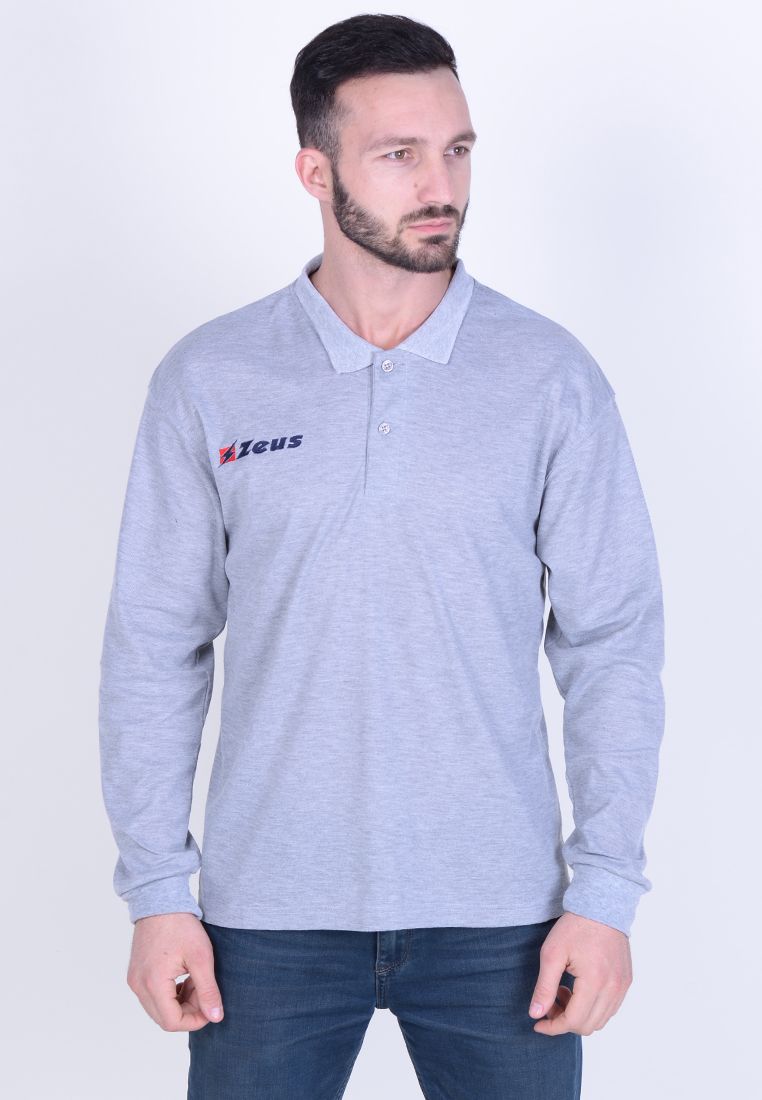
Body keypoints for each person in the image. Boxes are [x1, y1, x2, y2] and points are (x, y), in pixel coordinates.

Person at [98, 13, 665, 1099]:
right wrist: (158, 890)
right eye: (400, 154)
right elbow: (155, 646)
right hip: (265, 920)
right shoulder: (211, 377)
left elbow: (614, 644)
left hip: (507, 919)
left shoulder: (549, 377)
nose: (439, 184)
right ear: (316, 172)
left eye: (457, 149)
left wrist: (605, 894)